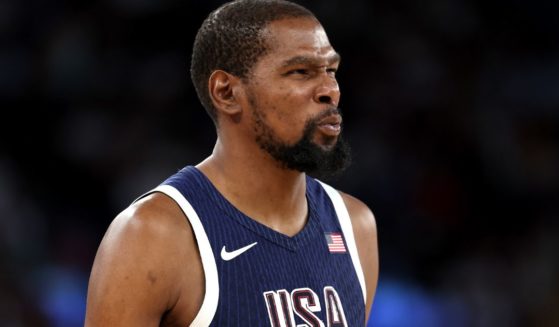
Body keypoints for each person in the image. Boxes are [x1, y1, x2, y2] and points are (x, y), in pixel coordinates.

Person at [85, 0, 379, 325]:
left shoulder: (355, 225)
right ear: (226, 92)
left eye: (331, 70)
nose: (330, 90)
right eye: (300, 72)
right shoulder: (153, 235)